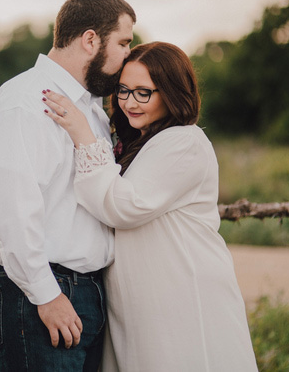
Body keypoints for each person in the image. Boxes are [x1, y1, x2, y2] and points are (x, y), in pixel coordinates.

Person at [42, 41, 258, 371]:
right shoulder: (143, 142)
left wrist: (83, 135)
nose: (129, 102)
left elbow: (123, 207)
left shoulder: (184, 141)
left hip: (181, 291)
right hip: (144, 300)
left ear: (172, 92)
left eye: (144, 92)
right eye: (124, 90)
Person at [0, 0, 136, 371]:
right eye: (124, 42)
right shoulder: (25, 100)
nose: (129, 54)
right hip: (36, 294)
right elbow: (7, 206)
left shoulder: (89, 108)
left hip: (84, 291)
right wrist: (45, 294)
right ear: (91, 39)